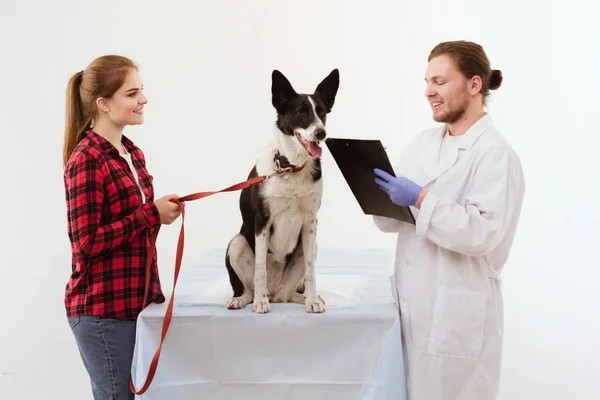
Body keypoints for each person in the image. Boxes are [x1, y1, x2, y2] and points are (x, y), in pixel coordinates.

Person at [373, 40, 526, 399]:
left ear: (474, 85)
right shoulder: (423, 143)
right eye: (427, 82)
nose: (429, 91)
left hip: (458, 317)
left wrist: (419, 198)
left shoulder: (496, 154)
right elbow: (392, 221)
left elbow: (480, 233)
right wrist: (377, 196)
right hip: (413, 308)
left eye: (440, 81)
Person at [62, 55, 182, 399]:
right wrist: (148, 216)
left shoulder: (131, 153)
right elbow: (85, 243)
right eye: (131, 94)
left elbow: (137, 223)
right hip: (103, 313)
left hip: (136, 306)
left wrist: (156, 214)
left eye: (141, 91)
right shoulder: (87, 159)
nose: (143, 100)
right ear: (103, 104)